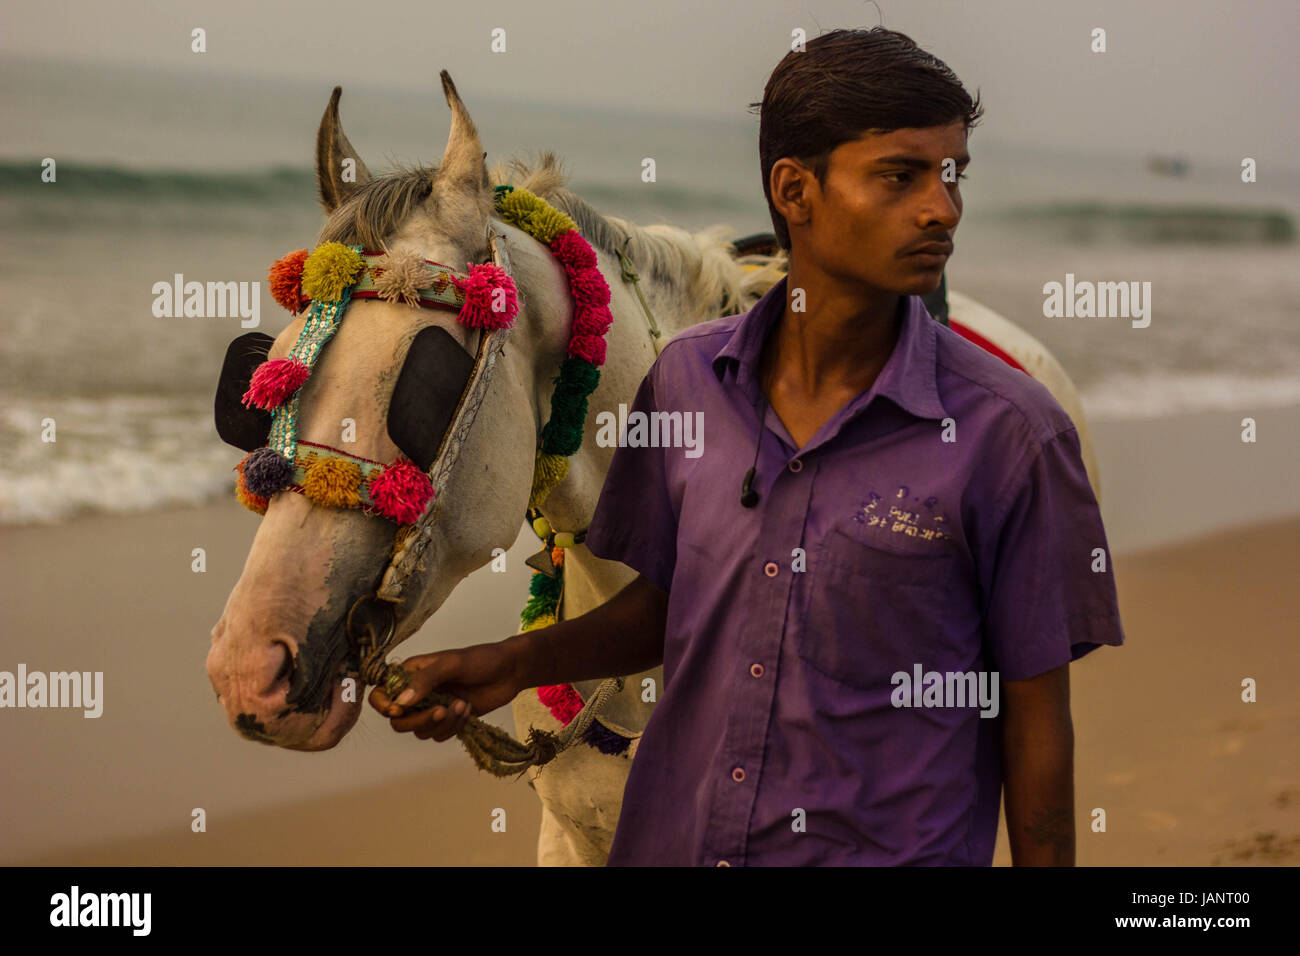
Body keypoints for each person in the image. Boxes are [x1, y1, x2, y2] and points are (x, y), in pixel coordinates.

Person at [370, 27, 1125, 866]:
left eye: (954, 176)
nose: (941, 208)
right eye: (901, 175)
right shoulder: (689, 382)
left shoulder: (1011, 433)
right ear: (795, 192)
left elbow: (1036, 718)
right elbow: (668, 606)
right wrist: (508, 663)